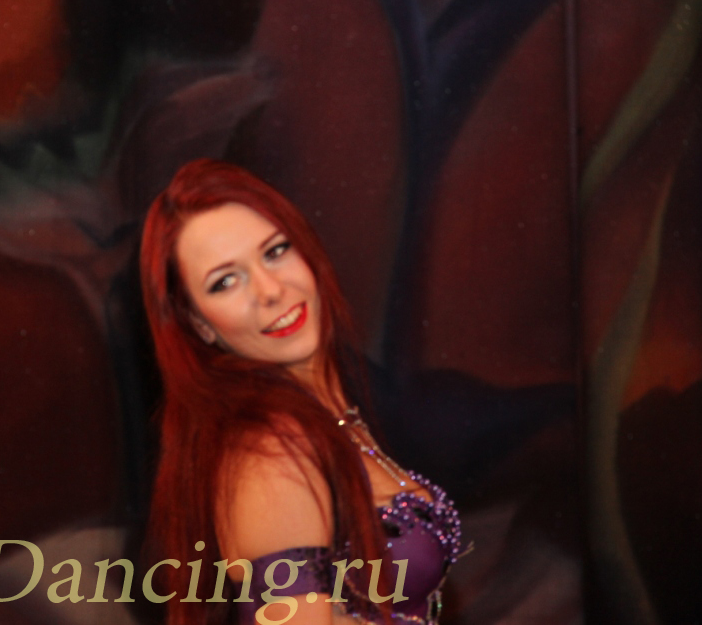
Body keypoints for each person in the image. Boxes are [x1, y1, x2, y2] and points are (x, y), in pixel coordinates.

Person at [139, 158, 463, 625]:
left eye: (275, 251)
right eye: (226, 281)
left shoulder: (328, 415)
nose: (270, 290)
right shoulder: (270, 452)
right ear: (199, 324)